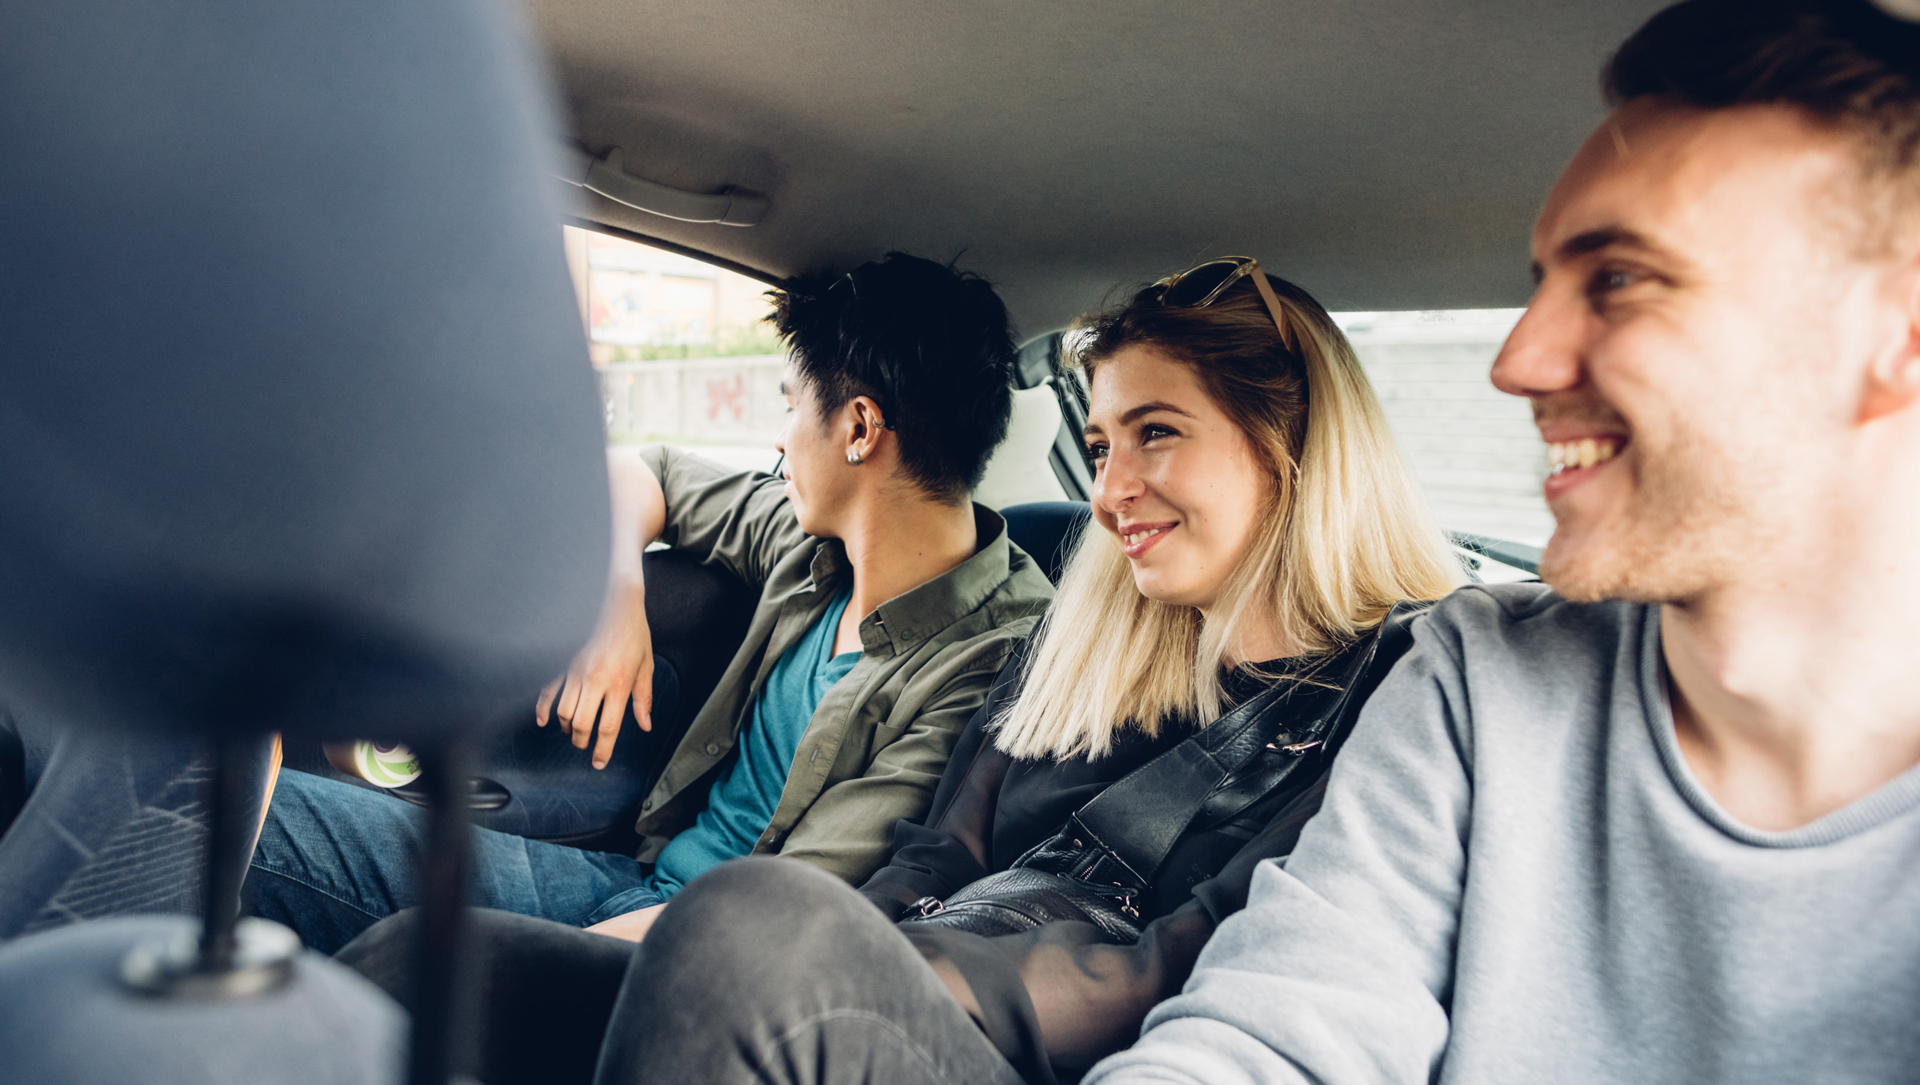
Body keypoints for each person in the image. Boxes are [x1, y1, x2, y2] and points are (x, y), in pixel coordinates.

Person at [334, 262, 1463, 1085]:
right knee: (431, 958)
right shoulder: (1081, 650)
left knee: (755, 927)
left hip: (1053, 1051)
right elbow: (941, 852)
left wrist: (874, 964)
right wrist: (861, 946)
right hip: (914, 979)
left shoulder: (1397, 695)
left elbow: (1177, 961)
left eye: (1156, 432)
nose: (1113, 487)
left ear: (1294, 442)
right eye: (1105, 442)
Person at [1085, 3, 1920, 1083]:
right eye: (1539, 290)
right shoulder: (1484, 677)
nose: (1519, 360)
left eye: (1618, 278)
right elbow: (1275, 1027)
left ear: (1895, 337)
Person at [245, 252, 1056, 953]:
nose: (779, 437)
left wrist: (540, 960)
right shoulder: (815, 544)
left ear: (859, 428)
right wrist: (616, 594)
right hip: (630, 878)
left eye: (788, 402)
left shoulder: (989, 657)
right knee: (249, 816)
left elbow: (797, 907)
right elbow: (648, 468)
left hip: (698, 955)